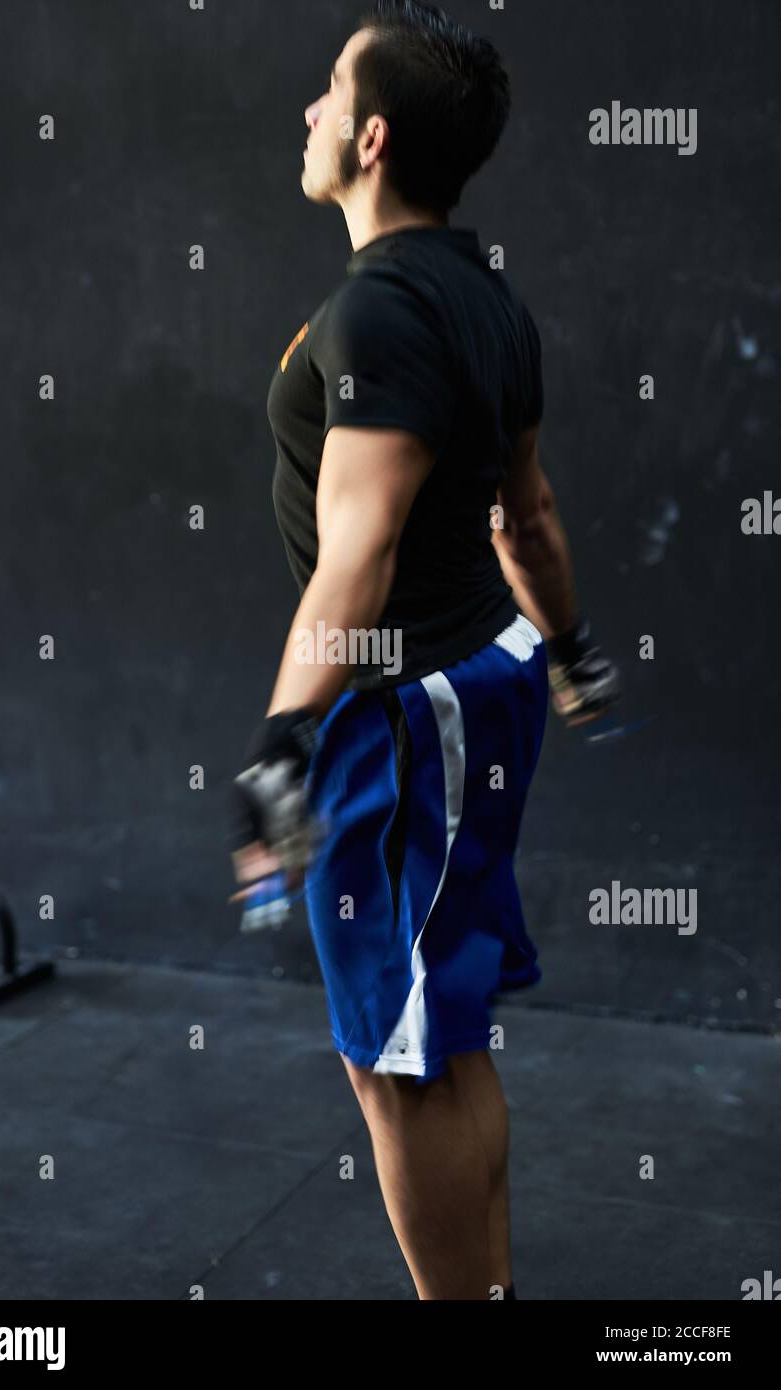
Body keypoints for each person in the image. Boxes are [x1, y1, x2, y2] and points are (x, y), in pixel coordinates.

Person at [230, 0, 620, 1301]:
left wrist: (285, 734)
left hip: (402, 719)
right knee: (440, 1034)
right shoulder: (487, 301)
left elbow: (363, 550)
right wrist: (573, 651)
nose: (310, 111)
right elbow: (534, 516)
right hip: (475, 686)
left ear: (373, 137)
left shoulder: (381, 316)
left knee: (396, 1065)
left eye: (330, 92)